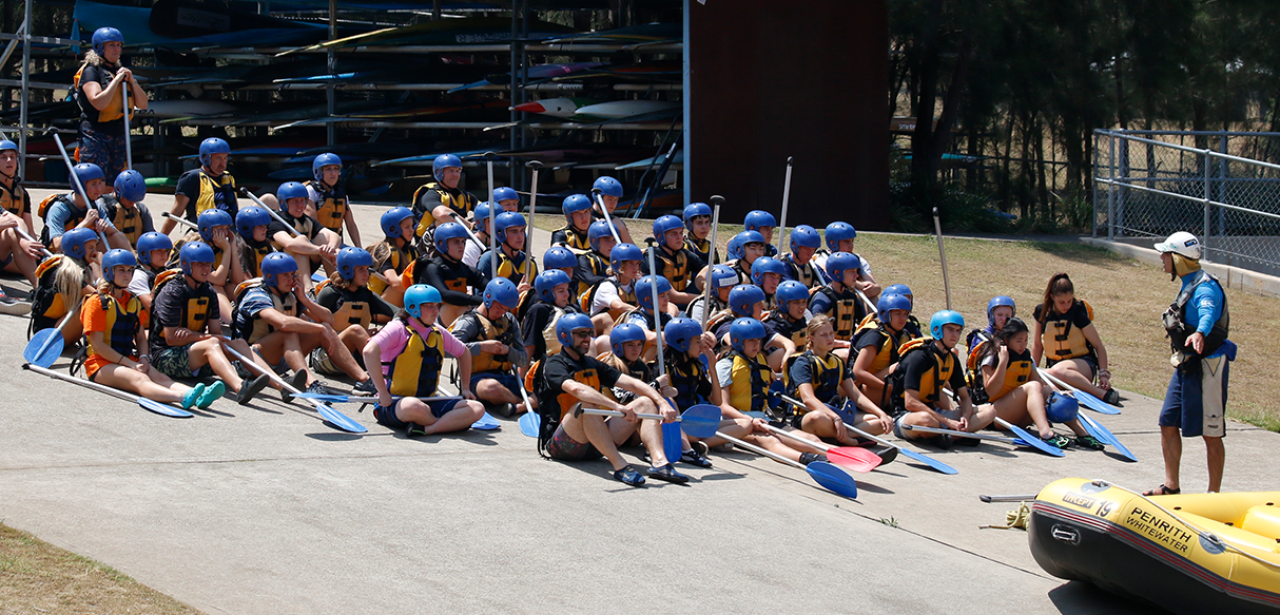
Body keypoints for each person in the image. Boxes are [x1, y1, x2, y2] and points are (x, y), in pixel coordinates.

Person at [531, 312, 688, 486]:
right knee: (585, 404)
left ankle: (660, 463)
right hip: (561, 444)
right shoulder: (554, 364)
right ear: (564, 336)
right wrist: (617, 407)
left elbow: (633, 384)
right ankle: (620, 465)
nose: (587, 339)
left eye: (589, 333)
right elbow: (576, 388)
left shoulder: (592, 363)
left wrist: (663, 403)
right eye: (581, 334)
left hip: (595, 445)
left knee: (645, 402)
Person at [1149, 232, 1236, 495]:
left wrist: (1200, 333)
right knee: (1167, 421)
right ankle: (1171, 486)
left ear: (1178, 259)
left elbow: (1208, 313)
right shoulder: (1189, 282)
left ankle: (1213, 495)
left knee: (1212, 433)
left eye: (1166, 254)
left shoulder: (1206, 287)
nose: (1162, 258)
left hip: (1209, 365)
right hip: (1187, 364)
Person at [82, 249, 218, 409]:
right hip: (99, 364)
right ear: (108, 272)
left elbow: (140, 337)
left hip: (127, 359)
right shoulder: (97, 303)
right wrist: (130, 364)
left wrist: (144, 358)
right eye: (121, 270)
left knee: (160, 377)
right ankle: (182, 396)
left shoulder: (132, 300)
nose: (127, 275)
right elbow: (98, 345)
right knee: (140, 379)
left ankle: (198, 394)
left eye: (130, 270)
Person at [231, 252, 373, 397]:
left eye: (293, 274)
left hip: (278, 361)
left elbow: (329, 320)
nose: (291, 279)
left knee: (325, 328)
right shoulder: (256, 295)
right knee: (291, 332)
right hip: (249, 362)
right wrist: (319, 328)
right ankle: (311, 383)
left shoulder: (290, 295)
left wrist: (304, 299)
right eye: (285, 275)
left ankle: (364, 380)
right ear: (270, 277)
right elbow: (283, 323)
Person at [150, 241, 272, 405]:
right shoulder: (172, 292)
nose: (206, 268)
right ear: (186, 265)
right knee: (212, 344)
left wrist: (195, 336)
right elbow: (171, 339)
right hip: (165, 356)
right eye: (200, 264)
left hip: (195, 353)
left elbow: (217, 333)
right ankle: (240, 387)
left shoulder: (208, 291)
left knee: (239, 343)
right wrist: (203, 337)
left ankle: (281, 385)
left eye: (208, 264)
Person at [362, 284, 485, 437]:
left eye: (437, 306)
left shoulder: (437, 331)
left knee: (477, 408)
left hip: (428, 400)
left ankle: (428, 428)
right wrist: (381, 392)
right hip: (394, 402)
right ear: (413, 307)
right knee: (414, 407)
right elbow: (369, 351)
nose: (435, 311)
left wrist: (465, 388)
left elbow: (464, 352)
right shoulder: (397, 329)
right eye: (429, 306)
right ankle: (449, 423)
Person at [716, 317, 829, 465]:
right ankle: (807, 460)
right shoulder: (725, 365)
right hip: (736, 423)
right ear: (737, 341)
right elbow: (723, 406)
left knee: (810, 439)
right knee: (771, 441)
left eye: (758, 340)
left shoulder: (761, 362)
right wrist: (751, 421)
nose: (756, 344)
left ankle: (837, 454)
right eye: (751, 340)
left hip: (763, 419)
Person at [979, 317, 1101, 450]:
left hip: (1019, 416)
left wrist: (1059, 395)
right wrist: (1003, 362)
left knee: (1048, 391)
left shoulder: (1026, 356)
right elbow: (991, 391)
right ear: (1007, 341)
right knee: (1033, 386)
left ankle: (1082, 434)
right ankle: (1046, 433)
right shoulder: (992, 355)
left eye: (1025, 340)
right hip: (996, 416)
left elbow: (1040, 384)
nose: (1023, 345)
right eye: (1019, 341)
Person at [890, 310, 996, 446]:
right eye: (950, 330)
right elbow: (911, 403)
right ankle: (954, 435)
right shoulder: (918, 357)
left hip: (935, 415)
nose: (955, 335)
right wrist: (948, 422)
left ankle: (948, 436)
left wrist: (965, 416)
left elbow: (965, 398)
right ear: (937, 330)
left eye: (958, 331)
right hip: (907, 417)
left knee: (989, 411)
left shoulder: (951, 359)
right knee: (925, 419)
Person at [787, 314, 893, 445]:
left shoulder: (837, 361)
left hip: (834, 414)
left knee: (880, 421)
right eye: (824, 335)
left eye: (831, 334)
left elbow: (856, 396)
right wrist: (835, 418)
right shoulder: (803, 363)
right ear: (812, 338)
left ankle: (840, 437)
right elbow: (808, 399)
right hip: (810, 416)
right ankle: (851, 438)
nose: (830, 338)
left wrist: (881, 413)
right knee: (817, 417)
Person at [311, 247, 395, 383]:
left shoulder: (366, 294)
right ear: (347, 270)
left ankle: (398, 373)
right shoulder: (330, 294)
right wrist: (356, 335)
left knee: (396, 330)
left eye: (367, 269)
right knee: (355, 330)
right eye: (361, 269)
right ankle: (382, 378)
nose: (366, 274)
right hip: (325, 358)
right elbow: (314, 332)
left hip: (356, 358)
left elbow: (396, 313)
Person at [1031, 273, 1117, 404]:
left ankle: (1099, 393)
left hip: (1083, 366)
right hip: (1055, 370)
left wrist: (1103, 375)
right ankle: (1066, 393)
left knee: (1059, 370)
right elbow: (1037, 345)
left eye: (1069, 301)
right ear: (1052, 297)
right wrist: (1034, 372)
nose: (1066, 306)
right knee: (1043, 375)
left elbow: (1099, 346)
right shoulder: (1041, 313)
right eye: (1062, 302)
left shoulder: (1078, 313)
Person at [74, 27, 147, 182]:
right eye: (112, 45)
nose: (117, 49)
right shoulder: (91, 71)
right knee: (94, 180)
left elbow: (143, 104)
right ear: (100, 48)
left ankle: (111, 206)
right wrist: (116, 81)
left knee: (115, 181)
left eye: (119, 45)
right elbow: (99, 102)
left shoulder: (120, 70)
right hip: (96, 134)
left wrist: (132, 81)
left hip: (118, 133)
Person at [449, 278, 529, 417]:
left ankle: (516, 407)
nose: (501, 313)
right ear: (488, 298)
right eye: (499, 307)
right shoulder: (469, 321)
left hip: (506, 378)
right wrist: (481, 347)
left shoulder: (509, 321)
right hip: (477, 380)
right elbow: (447, 350)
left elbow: (523, 360)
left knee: (542, 386)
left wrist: (508, 350)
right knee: (491, 388)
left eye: (506, 309)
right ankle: (524, 404)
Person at [30, 227, 99, 343]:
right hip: (49, 334)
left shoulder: (80, 267)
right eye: (91, 248)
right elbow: (100, 297)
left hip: (62, 324)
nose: (95, 252)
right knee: (93, 305)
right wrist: (102, 265)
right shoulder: (67, 271)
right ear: (77, 249)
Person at [41, 162, 129, 252]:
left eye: (100, 183)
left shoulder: (95, 205)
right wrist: (85, 223)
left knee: (118, 236)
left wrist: (106, 227)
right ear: (79, 185)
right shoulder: (59, 208)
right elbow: (58, 245)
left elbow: (115, 233)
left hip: (85, 253)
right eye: (94, 184)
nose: (99, 188)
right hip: (61, 257)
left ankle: (135, 264)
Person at [268, 181, 340, 288]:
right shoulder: (276, 222)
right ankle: (308, 289)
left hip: (306, 265)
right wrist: (319, 250)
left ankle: (337, 284)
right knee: (300, 246)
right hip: (283, 268)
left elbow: (334, 235)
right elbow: (289, 244)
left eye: (302, 200)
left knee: (329, 243)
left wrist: (331, 249)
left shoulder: (307, 220)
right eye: (295, 201)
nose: (300, 205)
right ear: (284, 203)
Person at [412, 221, 485, 327]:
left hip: (451, 317)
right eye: (456, 242)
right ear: (442, 244)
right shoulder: (432, 268)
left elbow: (486, 284)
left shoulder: (464, 269)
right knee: (454, 307)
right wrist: (481, 300)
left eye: (463, 241)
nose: (462, 246)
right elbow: (445, 294)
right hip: (428, 319)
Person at [163, 137, 237, 234]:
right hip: (203, 234)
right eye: (218, 158)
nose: (222, 163)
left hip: (229, 232)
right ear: (206, 158)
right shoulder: (191, 178)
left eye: (225, 158)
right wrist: (162, 238)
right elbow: (177, 211)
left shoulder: (228, 177)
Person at [852, 292, 912, 408]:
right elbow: (858, 372)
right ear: (885, 313)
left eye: (905, 314)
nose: (903, 318)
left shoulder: (903, 335)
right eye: (898, 313)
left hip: (887, 384)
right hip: (863, 389)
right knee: (900, 365)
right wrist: (888, 388)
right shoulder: (875, 336)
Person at [808, 251, 870, 351]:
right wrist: (844, 344)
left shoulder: (851, 296)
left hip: (846, 346)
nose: (856, 276)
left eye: (856, 271)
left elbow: (865, 323)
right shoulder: (823, 298)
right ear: (837, 273)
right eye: (851, 272)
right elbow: (814, 331)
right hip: (825, 350)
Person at [412, 154, 477, 241]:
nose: (455, 175)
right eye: (451, 171)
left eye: (458, 171)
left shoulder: (465, 196)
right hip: (427, 244)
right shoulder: (430, 194)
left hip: (456, 240)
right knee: (442, 222)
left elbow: (486, 208)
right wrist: (470, 226)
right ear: (439, 173)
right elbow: (443, 214)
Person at [0, 140, 39, 288]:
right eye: (3, 157)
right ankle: (38, 285)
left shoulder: (22, 193)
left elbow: (29, 229)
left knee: (41, 261)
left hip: (7, 252)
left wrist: (34, 247)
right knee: (10, 231)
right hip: (7, 242)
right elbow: (16, 222)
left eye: (12, 157)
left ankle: (40, 290)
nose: (9, 160)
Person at [964, 295, 1017, 404]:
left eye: (1007, 315)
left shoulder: (1014, 338)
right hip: (982, 395)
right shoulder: (982, 339)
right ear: (991, 315)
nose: (1004, 318)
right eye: (1000, 315)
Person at [642, 215, 703, 308]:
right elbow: (672, 296)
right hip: (665, 304)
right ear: (660, 236)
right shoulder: (653, 259)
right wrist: (705, 299)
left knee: (708, 272)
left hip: (685, 297)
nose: (679, 237)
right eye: (674, 234)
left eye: (681, 233)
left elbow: (707, 269)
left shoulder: (684, 254)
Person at [522, 269, 581, 361]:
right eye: (561, 291)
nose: (567, 295)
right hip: (551, 364)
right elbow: (530, 346)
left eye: (567, 289)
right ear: (546, 293)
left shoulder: (573, 309)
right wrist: (521, 375)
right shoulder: (539, 310)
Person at [304, 153, 360, 247]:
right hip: (317, 240)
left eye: (336, 169)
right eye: (328, 169)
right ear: (319, 172)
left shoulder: (341, 193)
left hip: (335, 241)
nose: (333, 173)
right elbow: (313, 225)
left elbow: (350, 224)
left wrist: (359, 247)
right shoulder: (311, 191)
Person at [584, 242, 642, 332]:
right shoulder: (607, 286)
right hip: (602, 334)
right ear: (618, 265)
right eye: (630, 263)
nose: (636, 267)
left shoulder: (635, 285)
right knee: (606, 318)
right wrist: (644, 315)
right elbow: (619, 306)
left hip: (625, 332)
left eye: (637, 263)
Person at [813, 221, 879, 300]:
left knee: (872, 297)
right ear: (832, 243)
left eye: (852, 241)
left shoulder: (858, 259)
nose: (851, 246)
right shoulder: (823, 259)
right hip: (831, 298)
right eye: (847, 242)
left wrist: (875, 288)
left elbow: (872, 285)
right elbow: (830, 278)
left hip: (852, 298)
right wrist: (857, 284)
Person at [477, 211, 537, 293]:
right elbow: (480, 295)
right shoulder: (490, 259)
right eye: (514, 231)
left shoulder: (529, 262)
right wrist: (514, 293)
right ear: (500, 234)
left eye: (522, 230)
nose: (520, 236)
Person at [368, 206, 415, 307]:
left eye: (412, 226)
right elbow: (395, 283)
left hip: (394, 303)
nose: (412, 230)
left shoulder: (412, 251)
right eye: (407, 227)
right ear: (394, 230)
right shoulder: (384, 252)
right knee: (400, 285)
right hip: (376, 305)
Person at [95, 169, 153, 249]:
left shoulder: (141, 209)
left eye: (135, 200)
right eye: (129, 199)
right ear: (119, 192)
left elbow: (150, 233)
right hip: (110, 254)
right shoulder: (104, 206)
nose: (132, 203)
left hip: (135, 255)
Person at [126, 231, 172, 310]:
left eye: (166, 251)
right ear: (144, 253)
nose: (164, 255)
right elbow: (151, 306)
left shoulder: (169, 271)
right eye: (158, 251)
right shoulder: (138, 276)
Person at [765, 280, 811, 353]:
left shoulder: (800, 320)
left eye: (804, 302)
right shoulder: (774, 327)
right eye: (796, 302)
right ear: (783, 304)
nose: (802, 306)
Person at [574, 220, 615, 298]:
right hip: (588, 305)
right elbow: (590, 279)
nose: (612, 244)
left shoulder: (619, 259)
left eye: (614, 240)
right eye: (606, 239)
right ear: (594, 241)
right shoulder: (585, 259)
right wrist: (616, 280)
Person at [589, 176, 634, 245]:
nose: (613, 204)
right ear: (597, 198)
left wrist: (622, 230)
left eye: (616, 200)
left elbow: (631, 249)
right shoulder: (585, 218)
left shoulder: (616, 221)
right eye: (610, 199)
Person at [780, 224, 823, 289]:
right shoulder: (784, 266)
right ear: (795, 246)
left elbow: (828, 281)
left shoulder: (812, 266)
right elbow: (791, 290)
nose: (810, 254)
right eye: (807, 249)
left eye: (813, 250)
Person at [682, 202, 718, 266]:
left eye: (707, 222)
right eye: (699, 223)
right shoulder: (684, 247)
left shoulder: (711, 247)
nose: (704, 227)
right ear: (689, 224)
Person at [462, 201, 494, 268]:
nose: (497, 224)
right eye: (491, 221)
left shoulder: (503, 242)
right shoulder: (469, 248)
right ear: (480, 223)